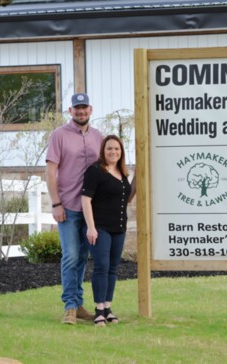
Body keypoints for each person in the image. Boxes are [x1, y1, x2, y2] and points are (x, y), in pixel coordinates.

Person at [45, 93, 104, 325]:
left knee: (82, 258)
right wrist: (56, 203)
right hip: (68, 207)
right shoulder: (59, 136)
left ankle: (78, 305)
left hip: (92, 209)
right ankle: (69, 306)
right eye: (77, 108)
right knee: (70, 256)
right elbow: (51, 172)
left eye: (85, 107)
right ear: (70, 111)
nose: (81, 112)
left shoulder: (99, 137)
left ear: (91, 109)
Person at [81, 135, 133, 326]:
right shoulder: (95, 171)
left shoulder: (123, 173)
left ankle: (108, 308)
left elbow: (127, 197)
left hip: (119, 228)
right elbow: (85, 200)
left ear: (122, 152)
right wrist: (91, 228)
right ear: (103, 150)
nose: (113, 152)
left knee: (113, 268)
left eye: (117, 149)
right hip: (99, 228)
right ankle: (99, 310)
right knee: (101, 267)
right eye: (110, 148)